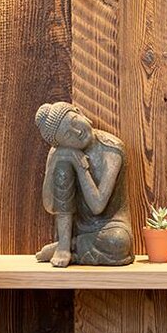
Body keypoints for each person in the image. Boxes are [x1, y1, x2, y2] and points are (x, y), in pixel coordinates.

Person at [34, 102, 134, 267]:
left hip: (109, 226)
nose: (77, 132)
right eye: (68, 135)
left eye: (74, 122)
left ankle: (71, 247)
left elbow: (97, 206)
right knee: (63, 166)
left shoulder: (111, 149)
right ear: (60, 143)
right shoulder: (59, 152)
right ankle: (64, 246)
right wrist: (54, 163)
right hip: (72, 228)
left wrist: (80, 165)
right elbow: (50, 206)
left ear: (80, 112)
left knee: (118, 242)